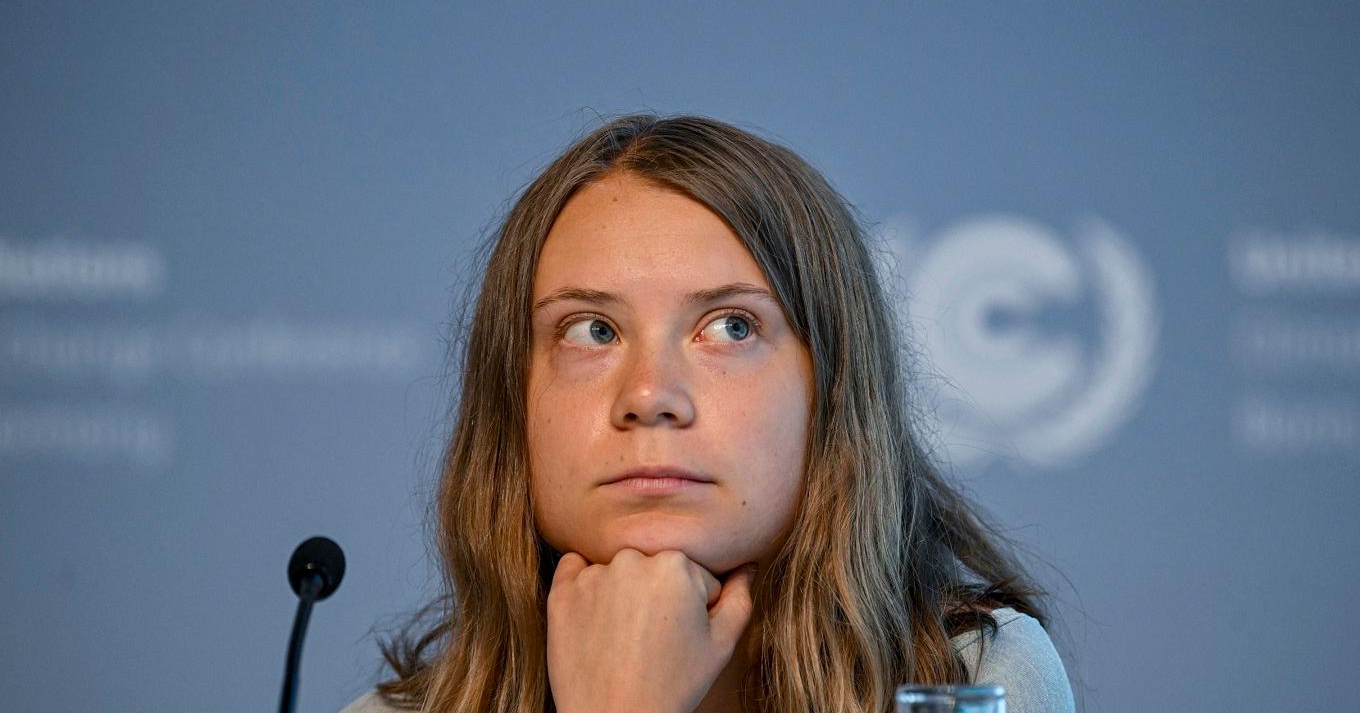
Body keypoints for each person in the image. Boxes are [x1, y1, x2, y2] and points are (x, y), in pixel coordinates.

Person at [343, 114, 1075, 712]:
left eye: (730, 327)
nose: (650, 395)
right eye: (593, 331)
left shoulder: (975, 680)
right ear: (513, 401)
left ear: (832, 393)